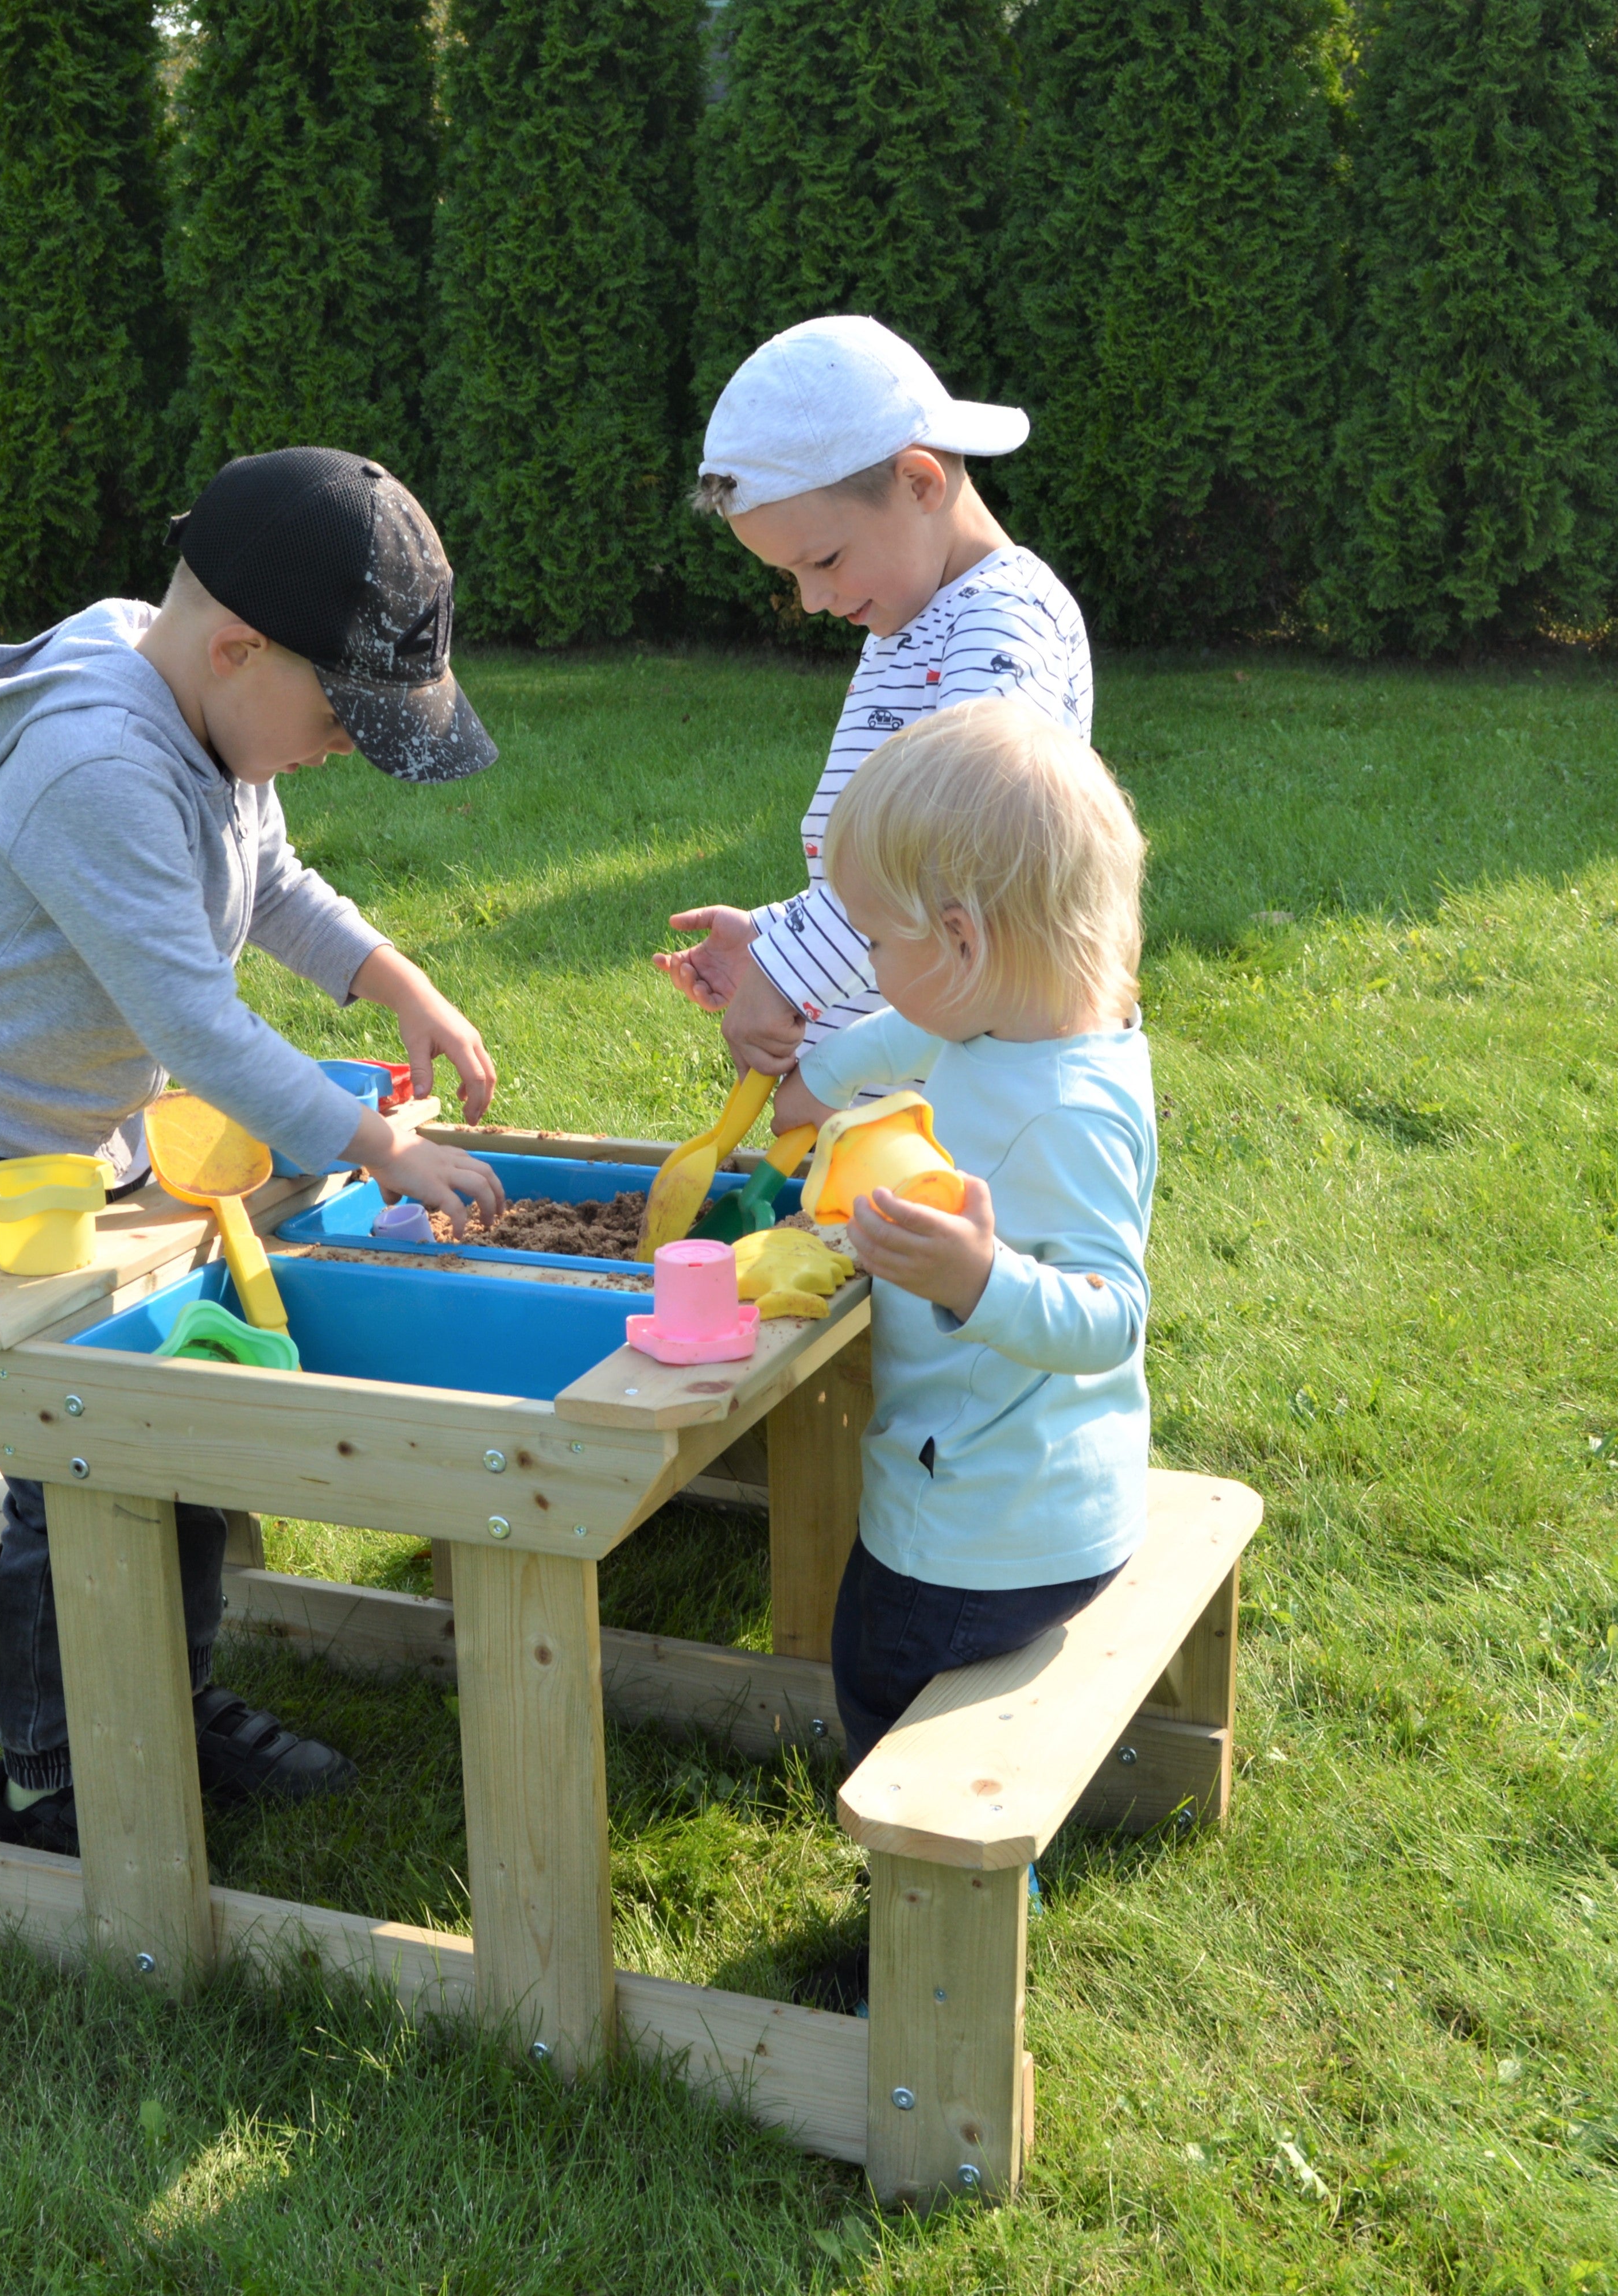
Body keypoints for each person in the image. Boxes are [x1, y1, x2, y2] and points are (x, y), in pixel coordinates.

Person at [0, 448, 509, 1856]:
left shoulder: (198, 708)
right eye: (341, 719)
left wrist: (396, 982)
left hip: (83, 1147)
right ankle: (48, 1771)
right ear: (236, 648)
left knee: (185, 1410)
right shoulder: (98, 760)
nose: (341, 747)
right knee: (75, 1462)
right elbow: (196, 1025)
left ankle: (174, 1693)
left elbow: (267, 879)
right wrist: (377, 1144)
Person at [775, 695, 1154, 2009]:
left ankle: (940, 1932)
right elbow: (894, 1040)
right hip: (1025, 1490)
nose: (870, 961)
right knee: (883, 1642)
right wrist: (808, 1081)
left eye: (877, 937)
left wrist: (979, 1278)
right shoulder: (994, 1023)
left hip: (993, 1523)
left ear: (960, 936)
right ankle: (952, 1893)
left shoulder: (1068, 1115)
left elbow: (1109, 1315)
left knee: (877, 1660)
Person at [656, 316, 1095, 1127]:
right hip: (892, 1097)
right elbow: (878, 868)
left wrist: (789, 972)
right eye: (791, 576)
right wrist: (774, 934)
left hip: (965, 1118)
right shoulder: (913, 615)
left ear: (920, 484)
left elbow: (950, 854)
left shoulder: (1002, 626)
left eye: (822, 562)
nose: (813, 600)